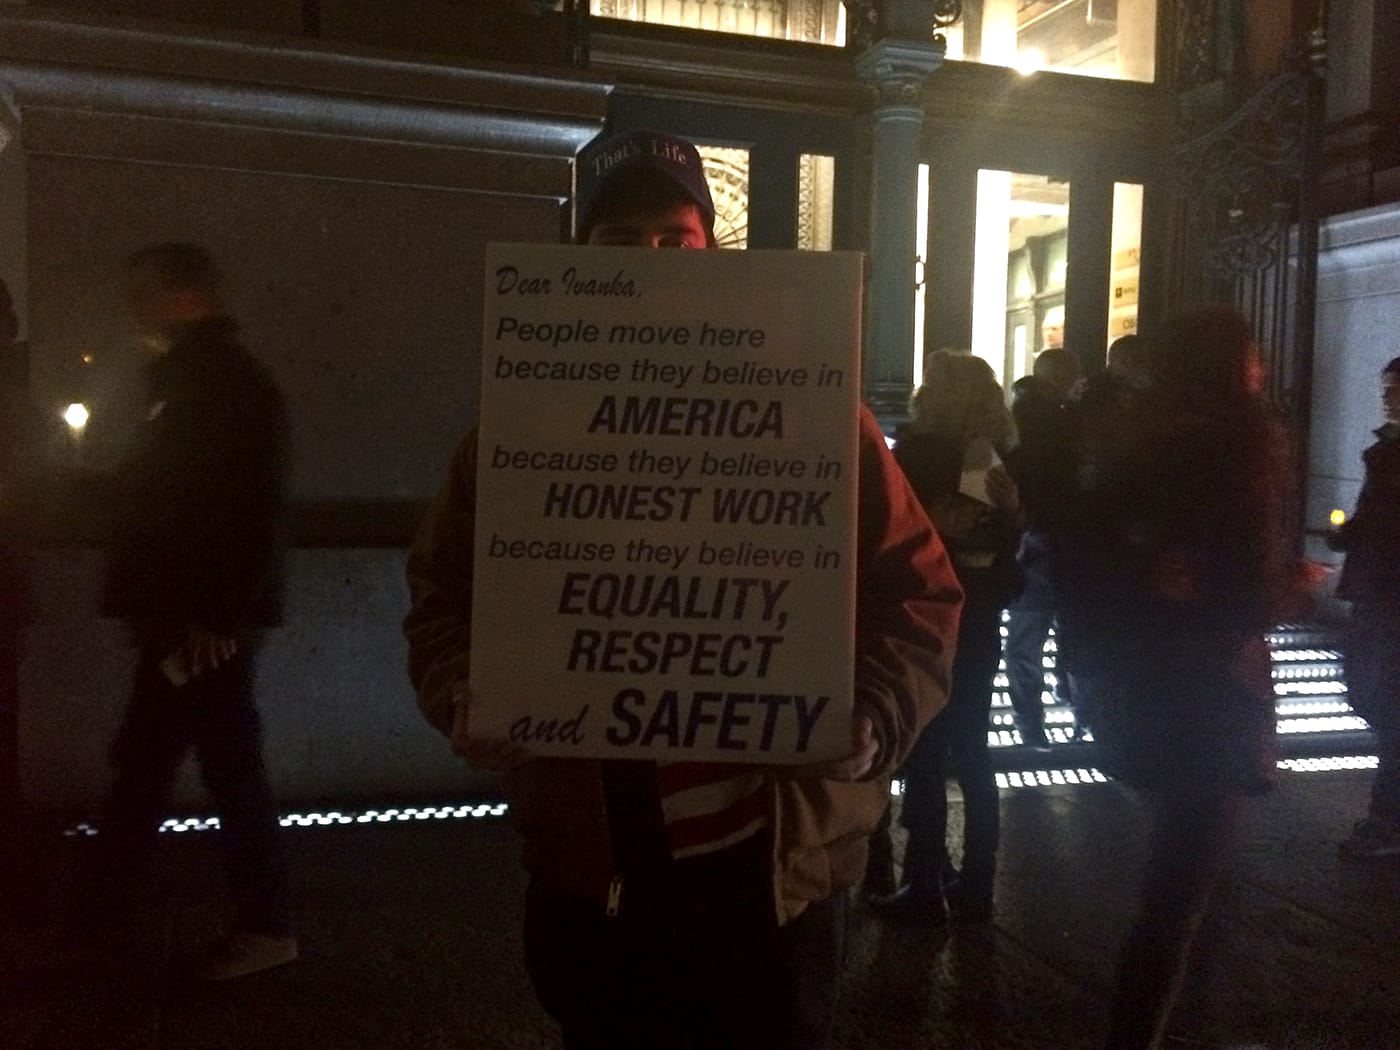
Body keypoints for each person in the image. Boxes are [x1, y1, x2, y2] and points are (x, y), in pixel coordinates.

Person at [404, 127, 964, 1049]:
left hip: (769, 874)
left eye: (675, 243)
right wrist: (465, 688)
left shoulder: (817, 412)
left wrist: (874, 712)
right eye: (621, 246)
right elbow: (442, 594)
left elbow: (921, 593)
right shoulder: (518, 425)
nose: (651, 267)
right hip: (598, 873)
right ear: (581, 263)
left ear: (713, 258)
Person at [1061, 306, 1301, 1050]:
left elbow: (1087, 554)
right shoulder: (1238, 447)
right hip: (1213, 687)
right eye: (1253, 352)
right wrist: (1292, 582)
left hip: (1149, 682)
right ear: (1233, 365)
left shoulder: (1138, 442)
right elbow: (1245, 587)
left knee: (1195, 884)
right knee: (1184, 890)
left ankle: (1187, 1024)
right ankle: (1152, 1031)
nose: (1262, 363)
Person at [83, 242, 296, 980]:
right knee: (196, 764)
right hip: (197, 617)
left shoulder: (204, 383)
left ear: (181, 297)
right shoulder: (221, 380)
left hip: (194, 619)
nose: (134, 307)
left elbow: (243, 508)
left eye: (144, 292)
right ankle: (246, 920)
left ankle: (118, 920)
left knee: (172, 767)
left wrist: (216, 616)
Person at [871, 350, 1024, 927]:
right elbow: (1005, 541)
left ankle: (923, 878)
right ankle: (977, 881)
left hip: (927, 612)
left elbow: (896, 530)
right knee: (974, 748)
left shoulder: (920, 453)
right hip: (981, 614)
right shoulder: (998, 456)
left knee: (926, 748)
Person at [1329, 355, 1400, 860]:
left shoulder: (1389, 455)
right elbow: (1371, 514)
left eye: (1395, 387)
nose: (1387, 395)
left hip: (1388, 592)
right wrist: (1346, 536)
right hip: (1376, 589)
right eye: (1386, 386)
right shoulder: (1385, 451)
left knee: (1385, 700)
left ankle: (1386, 820)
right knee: (1372, 694)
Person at [1003, 346, 1082, 748]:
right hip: (1063, 541)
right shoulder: (1069, 423)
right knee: (1069, 631)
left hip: (1033, 540)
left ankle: (1030, 723)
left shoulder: (1017, 421)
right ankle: (1078, 710)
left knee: (1025, 638)